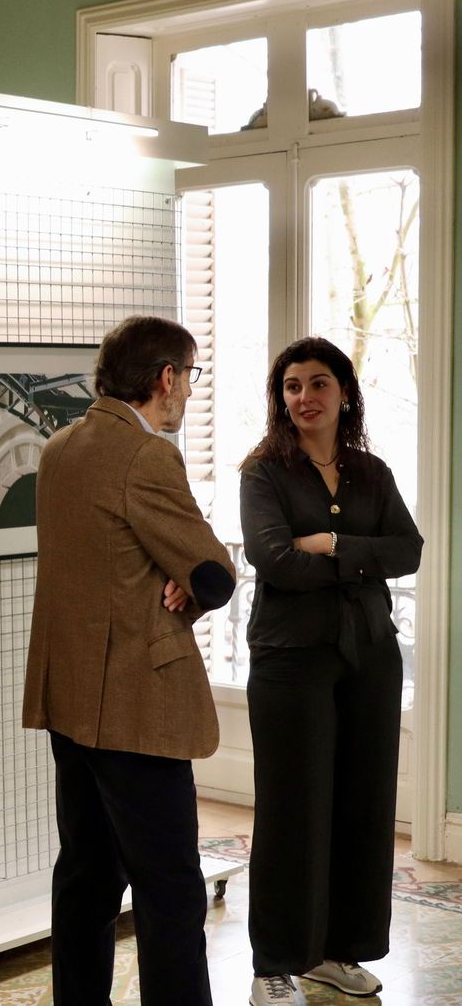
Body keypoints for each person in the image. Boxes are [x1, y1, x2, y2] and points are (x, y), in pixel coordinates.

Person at [24, 315, 236, 1006]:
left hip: (70, 699)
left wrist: (174, 575)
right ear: (166, 377)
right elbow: (214, 575)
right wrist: (190, 578)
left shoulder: (60, 446)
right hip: (137, 707)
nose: (190, 392)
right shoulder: (146, 456)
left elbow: (107, 566)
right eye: (191, 376)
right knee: (170, 887)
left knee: (85, 874)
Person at [240, 337, 422, 1006]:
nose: (304, 397)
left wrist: (334, 544)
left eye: (318, 383)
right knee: (293, 810)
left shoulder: (371, 471)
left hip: (371, 652)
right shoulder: (263, 473)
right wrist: (359, 561)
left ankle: (335, 952)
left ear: (345, 393)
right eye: (292, 386)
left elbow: (410, 550)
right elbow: (273, 560)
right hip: (292, 659)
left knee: (364, 806)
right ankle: (274, 963)